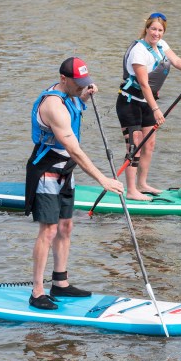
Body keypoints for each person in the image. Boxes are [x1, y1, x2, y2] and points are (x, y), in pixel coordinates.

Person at [25, 57, 125, 310]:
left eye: (85, 82)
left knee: (66, 227)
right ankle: (37, 292)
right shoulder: (53, 106)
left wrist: (85, 96)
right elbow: (75, 149)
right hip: (47, 171)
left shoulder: (70, 96)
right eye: (78, 83)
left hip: (66, 171)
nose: (82, 86)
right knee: (48, 230)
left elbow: (76, 106)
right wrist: (102, 179)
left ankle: (61, 283)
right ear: (63, 79)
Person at [115, 12, 181, 199]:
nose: (156, 33)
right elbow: (144, 84)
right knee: (134, 147)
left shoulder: (161, 45)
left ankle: (142, 184)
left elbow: (176, 60)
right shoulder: (139, 51)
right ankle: (131, 191)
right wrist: (156, 110)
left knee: (150, 144)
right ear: (146, 28)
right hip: (130, 104)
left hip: (147, 102)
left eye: (160, 30)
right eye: (153, 29)